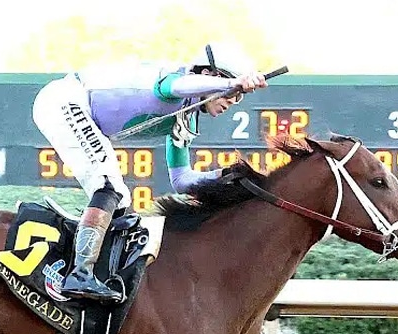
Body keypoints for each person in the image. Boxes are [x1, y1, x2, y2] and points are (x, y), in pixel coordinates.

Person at [32, 42, 267, 302]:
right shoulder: (175, 83)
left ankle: (93, 273)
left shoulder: (185, 119)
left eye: (238, 95)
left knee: (121, 203)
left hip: (74, 109)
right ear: (208, 76)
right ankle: (79, 274)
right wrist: (230, 84)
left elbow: (182, 181)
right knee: (109, 186)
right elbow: (174, 86)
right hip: (65, 100)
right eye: (232, 92)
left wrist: (225, 175)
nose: (233, 101)